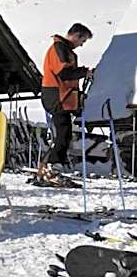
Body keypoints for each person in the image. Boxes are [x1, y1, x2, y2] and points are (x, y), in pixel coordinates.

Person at [40, 23, 93, 177]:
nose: (81, 45)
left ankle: (57, 163)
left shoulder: (65, 49)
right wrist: (84, 72)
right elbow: (63, 72)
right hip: (56, 96)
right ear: (76, 35)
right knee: (63, 132)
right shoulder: (59, 48)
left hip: (63, 96)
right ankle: (53, 164)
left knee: (65, 132)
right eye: (82, 41)